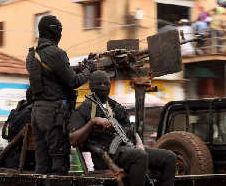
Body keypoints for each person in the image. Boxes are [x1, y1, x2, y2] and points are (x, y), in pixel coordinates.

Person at [69, 71, 177, 186]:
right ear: (91, 86)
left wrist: (139, 144)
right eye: (98, 84)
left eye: (106, 84)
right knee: (140, 156)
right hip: (106, 155)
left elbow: (131, 130)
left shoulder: (115, 107)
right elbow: (73, 140)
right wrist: (93, 122)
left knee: (169, 157)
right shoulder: (83, 110)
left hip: (127, 149)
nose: (103, 87)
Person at [26, 15, 96, 175]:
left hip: (37, 113)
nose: (61, 35)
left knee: (42, 163)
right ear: (54, 31)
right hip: (53, 114)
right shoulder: (56, 53)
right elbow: (73, 82)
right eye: (60, 31)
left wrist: (82, 67)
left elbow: (55, 76)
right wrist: (89, 69)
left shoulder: (32, 54)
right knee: (59, 161)